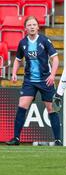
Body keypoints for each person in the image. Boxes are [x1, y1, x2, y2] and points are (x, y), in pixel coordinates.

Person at [6, 16, 60, 146]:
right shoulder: (22, 43)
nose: (31, 27)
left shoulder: (45, 40)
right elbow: (18, 60)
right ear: (25, 28)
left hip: (45, 80)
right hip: (29, 80)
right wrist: (14, 73)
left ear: (38, 27)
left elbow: (55, 58)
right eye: (29, 25)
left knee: (51, 108)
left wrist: (52, 75)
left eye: (34, 24)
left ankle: (58, 140)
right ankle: (16, 138)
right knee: (22, 106)